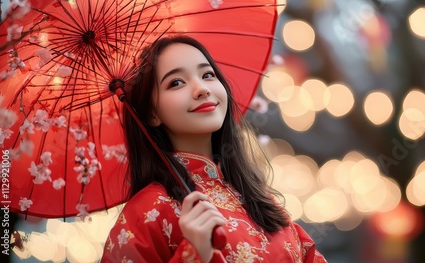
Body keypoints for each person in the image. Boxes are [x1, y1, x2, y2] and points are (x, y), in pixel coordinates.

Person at [101, 35, 328, 263]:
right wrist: (195, 253)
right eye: (176, 82)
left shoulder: (258, 200)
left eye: (207, 75)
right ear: (152, 114)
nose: (201, 89)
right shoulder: (145, 213)